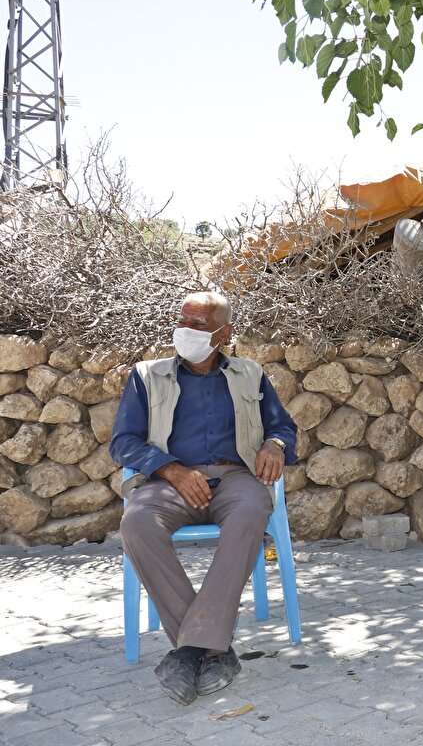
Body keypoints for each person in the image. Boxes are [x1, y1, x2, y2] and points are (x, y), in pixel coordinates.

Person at [111, 292, 297, 705]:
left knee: (251, 514)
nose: (184, 331)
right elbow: (123, 442)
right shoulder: (147, 375)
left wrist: (275, 446)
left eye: (197, 325)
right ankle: (211, 648)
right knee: (137, 522)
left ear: (223, 333)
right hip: (170, 479)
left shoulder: (251, 374)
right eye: (182, 321)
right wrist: (171, 469)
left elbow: (283, 427)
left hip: (236, 477)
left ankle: (188, 651)